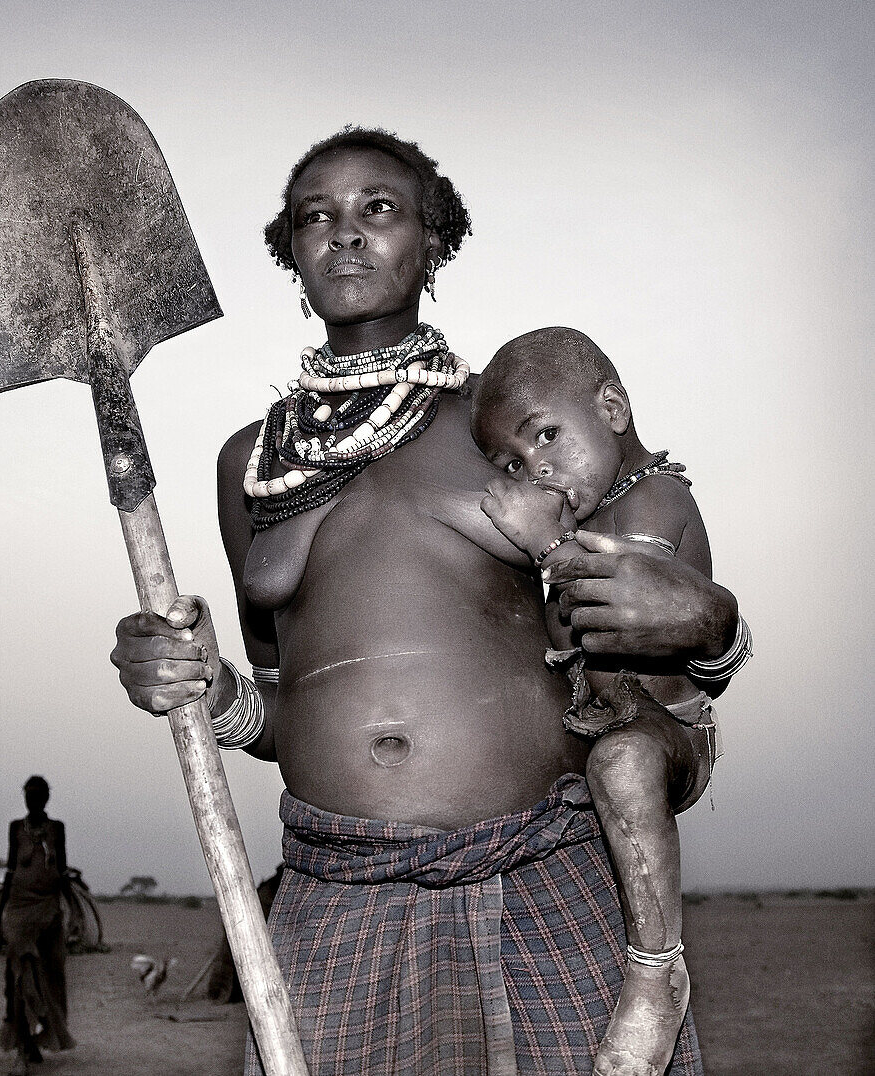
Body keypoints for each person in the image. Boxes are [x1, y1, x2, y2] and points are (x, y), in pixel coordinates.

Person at [110, 127, 748, 1075]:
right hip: (335, 887)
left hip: (540, 868)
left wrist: (714, 626)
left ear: (432, 244)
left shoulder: (503, 419)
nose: (347, 234)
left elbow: (652, 581)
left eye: (380, 209)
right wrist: (202, 683)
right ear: (291, 254)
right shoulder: (250, 463)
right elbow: (284, 705)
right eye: (315, 217)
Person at [473, 326, 750, 1076]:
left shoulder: (657, 498)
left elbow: (616, 601)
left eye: (548, 438)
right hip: (607, 724)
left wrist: (543, 542)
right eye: (514, 464)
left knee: (624, 766)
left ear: (614, 408)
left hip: (669, 733)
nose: (539, 470)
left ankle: (657, 972)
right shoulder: (596, 510)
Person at [0, 775, 76, 1075]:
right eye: (29, 795)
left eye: (39, 794)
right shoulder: (16, 828)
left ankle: (36, 1040)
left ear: (47, 798)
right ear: (24, 798)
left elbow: (63, 869)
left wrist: (74, 910)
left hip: (49, 910)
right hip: (18, 910)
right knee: (19, 976)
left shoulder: (58, 829)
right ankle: (20, 1050)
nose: (34, 800)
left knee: (49, 979)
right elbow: (9, 869)